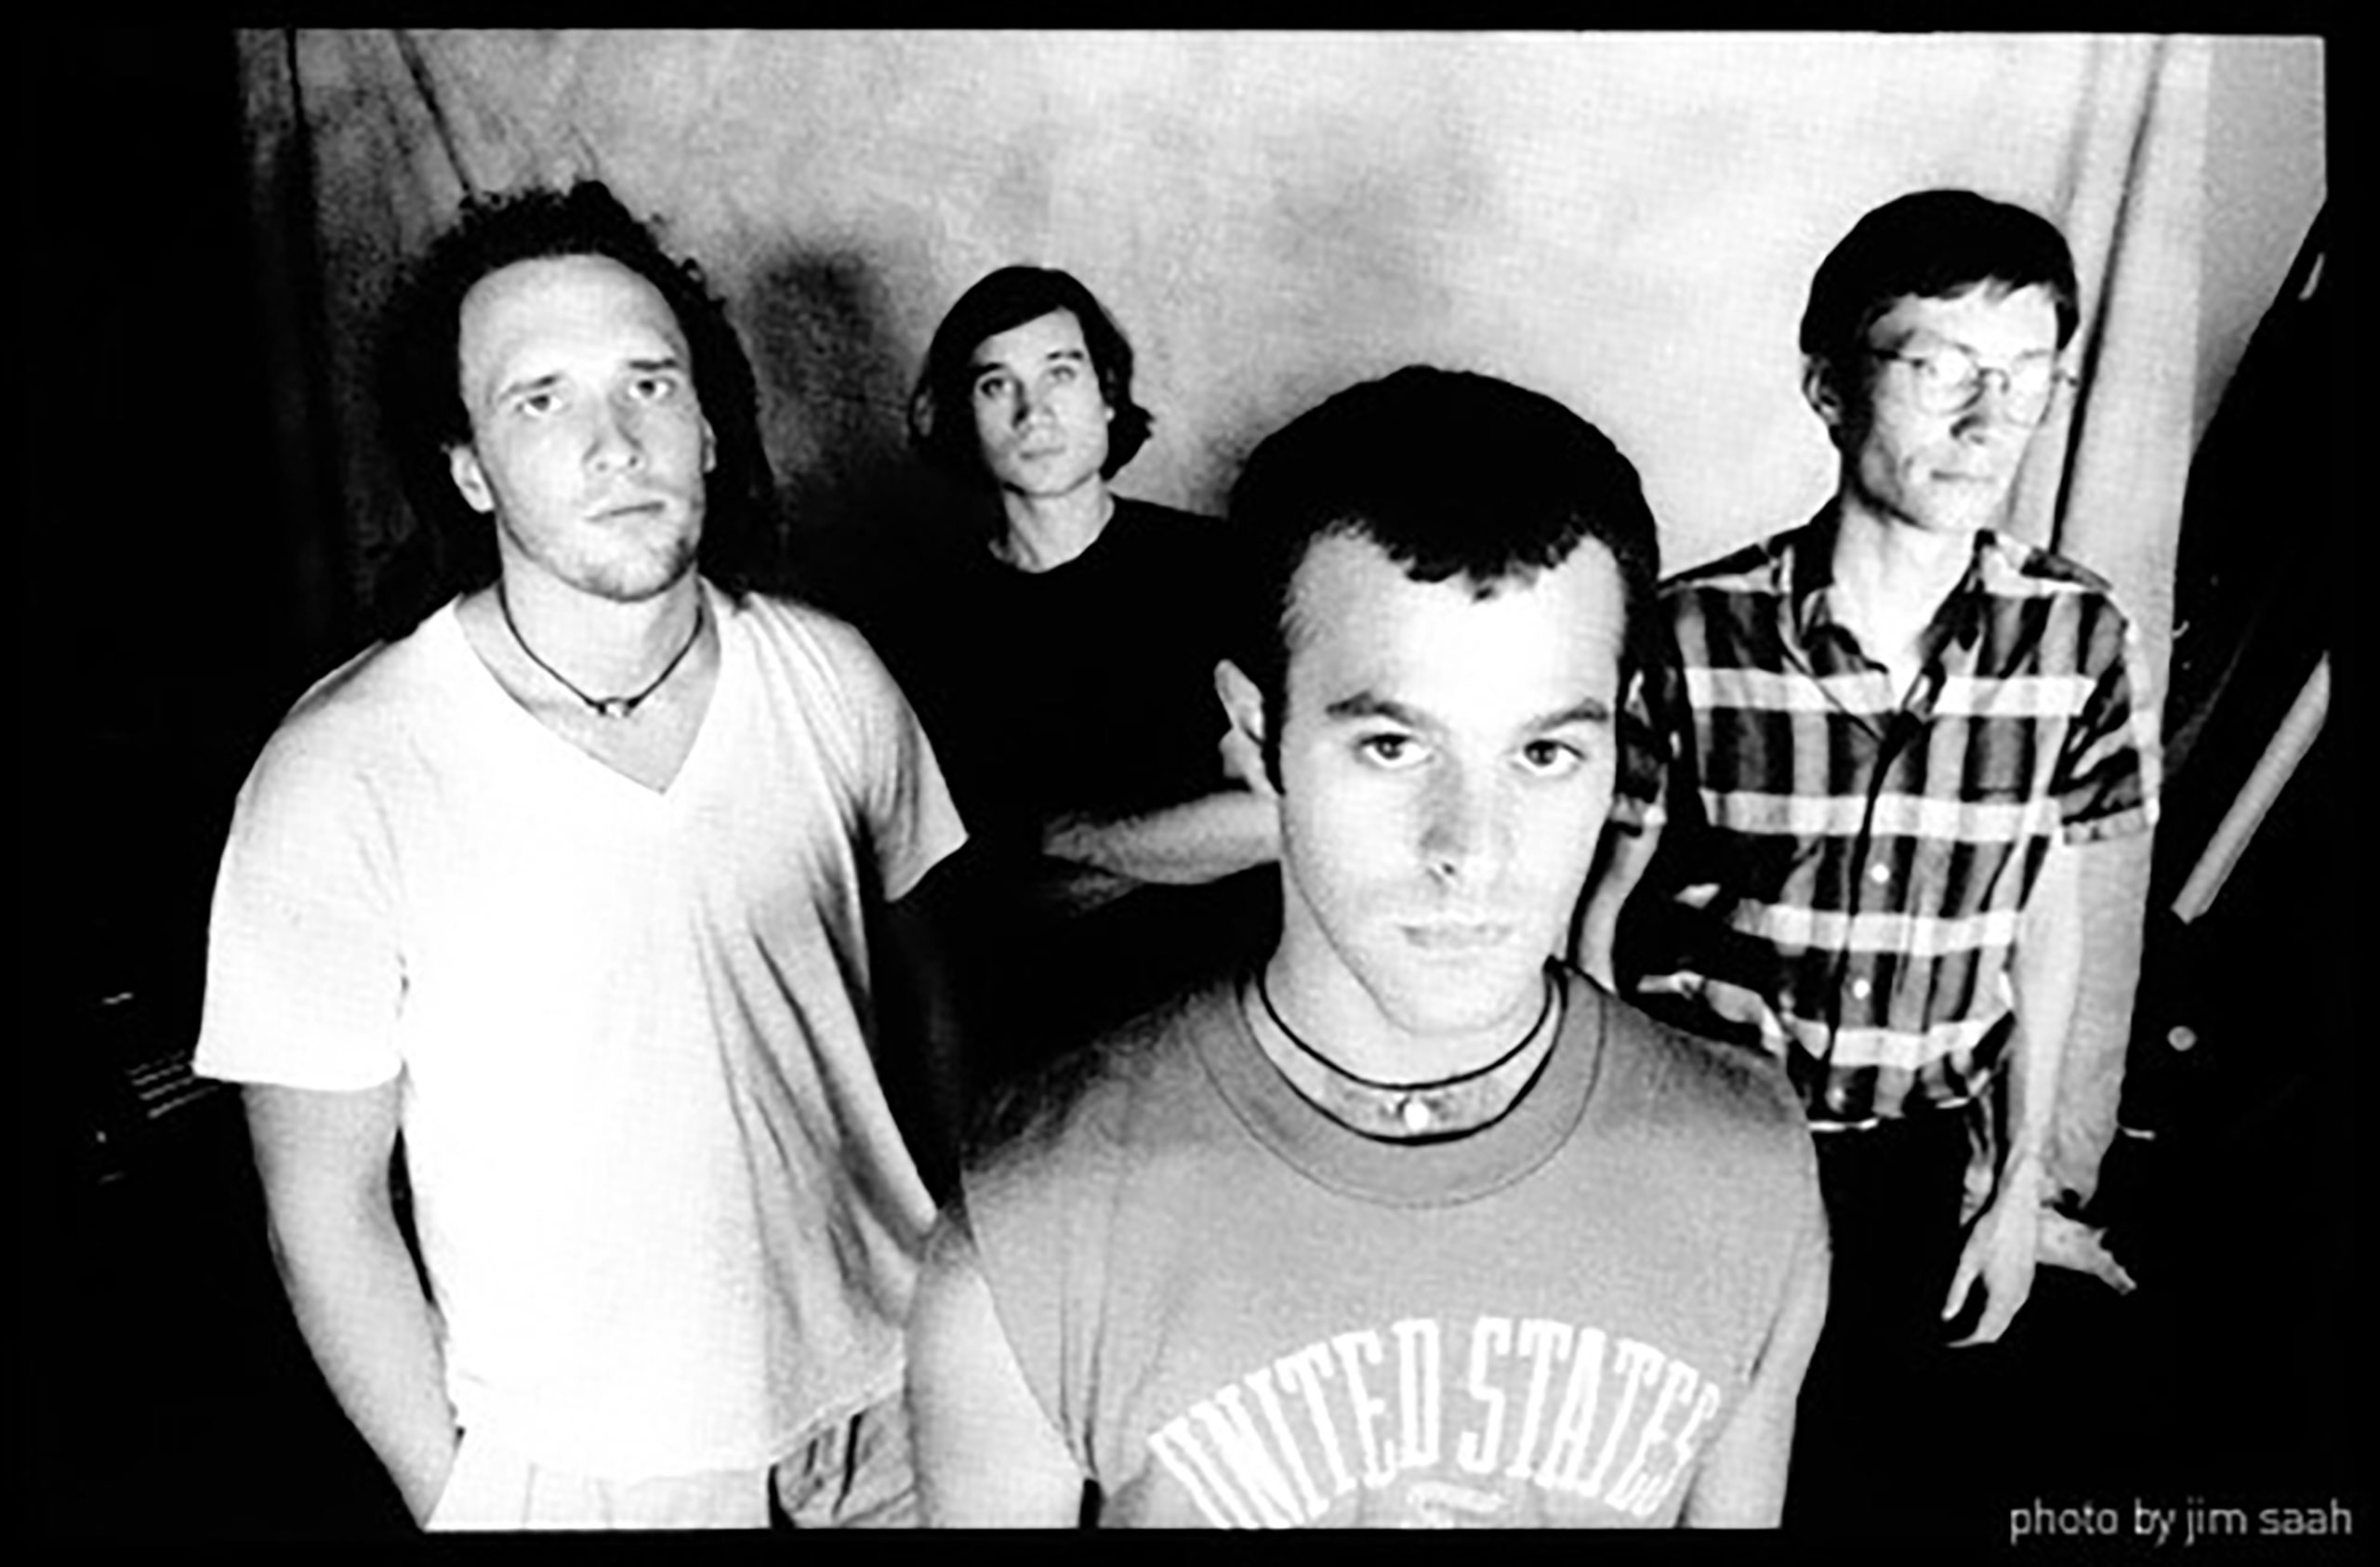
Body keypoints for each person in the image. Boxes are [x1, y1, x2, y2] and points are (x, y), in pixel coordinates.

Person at [907, 366, 1830, 1529]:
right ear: (1258, 734)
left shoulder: (1749, 1166)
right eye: (1392, 746)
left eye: (1544, 755)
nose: (1472, 849)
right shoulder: (1034, 1221)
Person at [192, 181, 966, 1531]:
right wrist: (468, 1496)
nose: (615, 441)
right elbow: (320, 1212)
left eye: (650, 383)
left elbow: (933, 1002)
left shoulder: (830, 676)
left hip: (902, 1412)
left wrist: (975, 1300)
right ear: (470, 466)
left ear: (712, 427)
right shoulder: (343, 770)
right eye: (539, 398)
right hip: (588, 1477)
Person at [1577, 189, 2161, 1526]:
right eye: (1939, 366)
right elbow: (1601, 913)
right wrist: (1601, 1149)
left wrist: (2016, 1185)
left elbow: (2044, 918)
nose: (1986, 419)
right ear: (1829, 384)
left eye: (2024, 379)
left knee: (1857, 1476)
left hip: (1910, 1165)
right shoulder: (1690, 633)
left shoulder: (2080, 639)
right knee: (1670, 1467)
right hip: (1703, 1138)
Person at [860, 265, 1279, 1116]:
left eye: (1060, 372)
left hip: (1243, 1039)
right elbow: (974, 908)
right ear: (960, 418)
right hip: (1042, 1068)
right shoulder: (916, 631)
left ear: (1108, 396)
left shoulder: (1221, 573)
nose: (1033, 410)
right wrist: (1188, 843)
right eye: (995, 384)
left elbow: (1288, 823)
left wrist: (1063, 834)